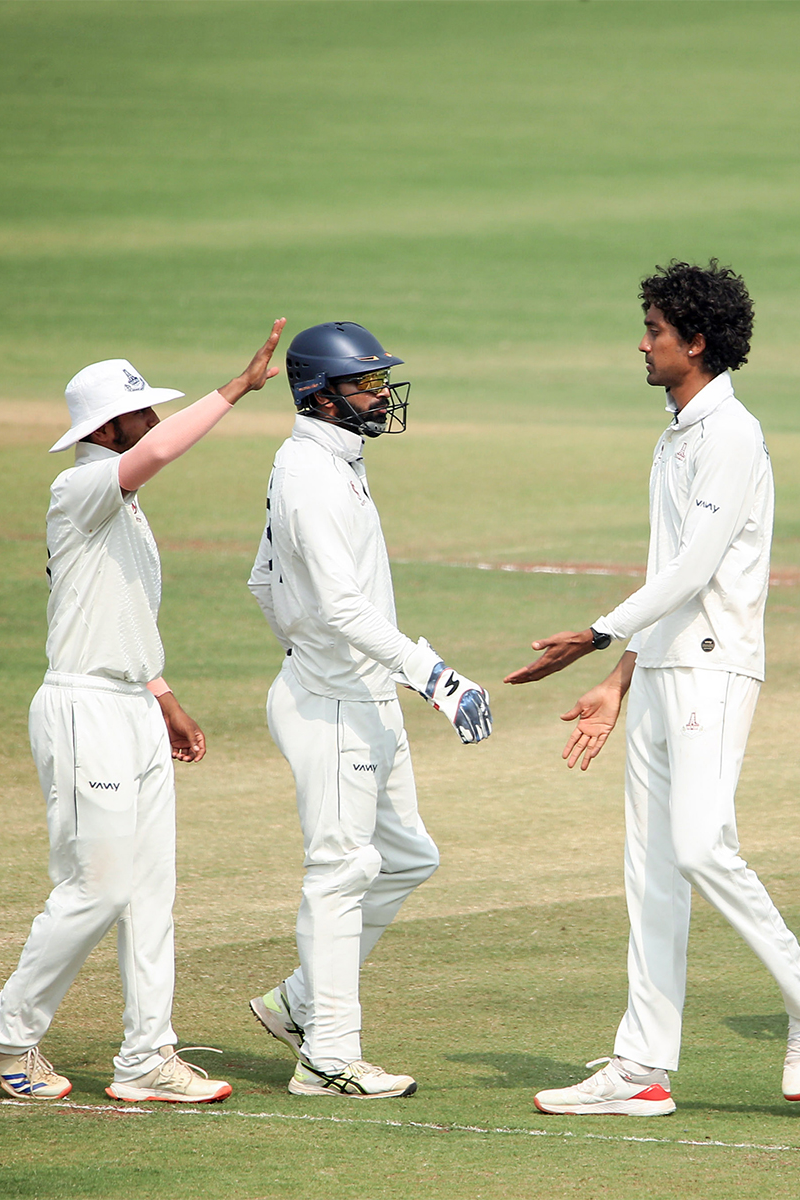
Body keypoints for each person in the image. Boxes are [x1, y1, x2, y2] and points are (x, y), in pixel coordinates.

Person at [505, 261, 800, 1115]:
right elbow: (672, 574)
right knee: (653, 871)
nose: (643, 342)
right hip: (661, 671)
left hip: (714, 668)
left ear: (696, 341)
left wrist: (595, 636)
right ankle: (642, 1067)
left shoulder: (730, 435)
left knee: (698, 847)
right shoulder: (679, 432)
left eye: (655, 330)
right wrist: (623, 677)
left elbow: (696, 570)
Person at [0, 320, 288, 1103]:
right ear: (110, 428)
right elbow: (163, 452)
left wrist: (162, 695)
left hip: (130, 705)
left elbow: (121, 608)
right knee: (97, 889)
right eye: (142, 412)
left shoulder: (121, 503)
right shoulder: (82, 486)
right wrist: (236, 388)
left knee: (148, 892)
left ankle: (146, 1061)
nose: (153, 422)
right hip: (82, 708)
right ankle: (2, 1034)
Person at [246, 321, 492, 1100]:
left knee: (409, 856)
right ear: (320, 396)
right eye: (366, 384)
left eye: (381, 381)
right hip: (338, 706)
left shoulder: (331, 462)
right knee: (340, 872)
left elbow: (263, 579)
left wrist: (328, 651)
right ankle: (329, 1058)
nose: (382, 395)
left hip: (362, 696)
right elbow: (343, 608)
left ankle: (299, 1002)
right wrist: (437, 678)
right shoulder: (310, 474)